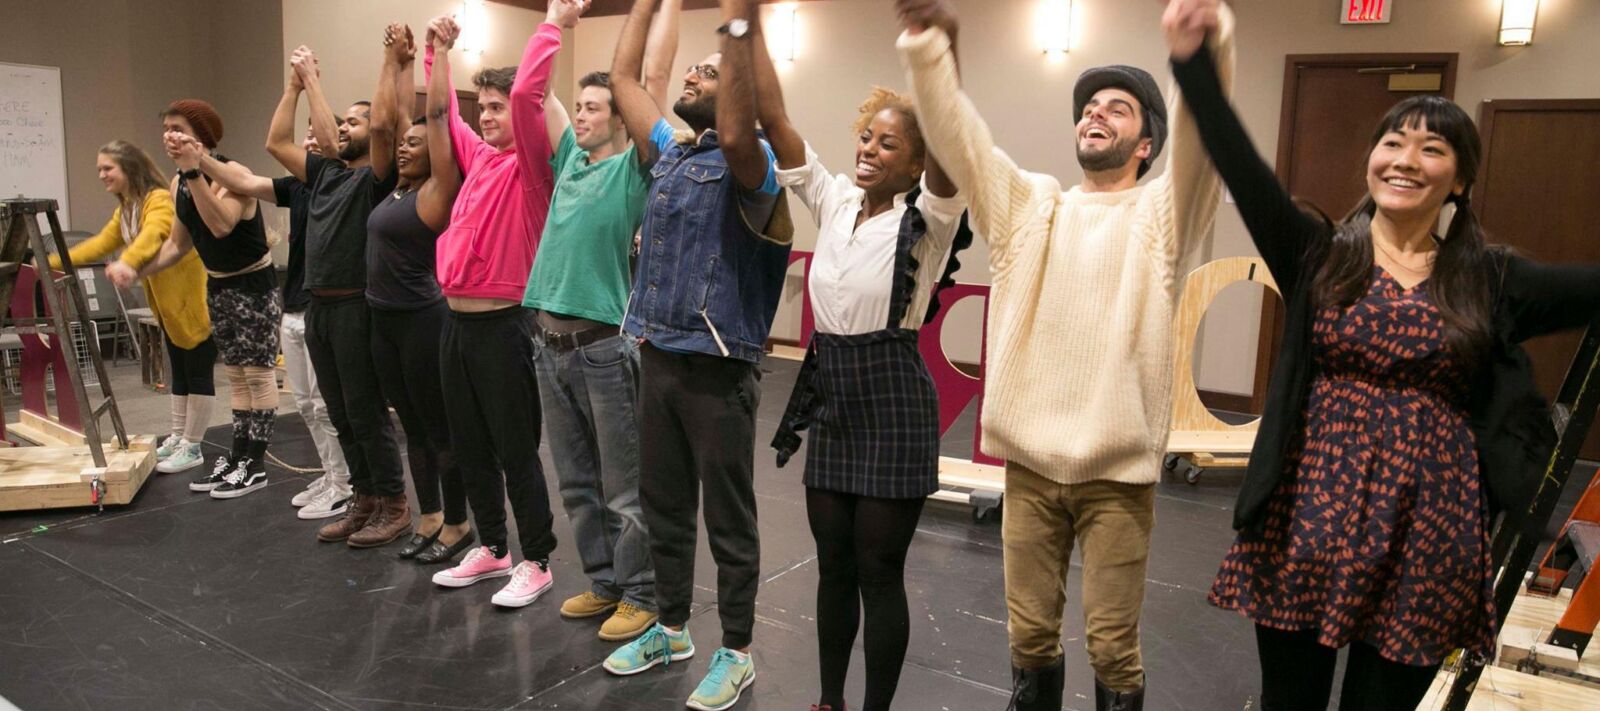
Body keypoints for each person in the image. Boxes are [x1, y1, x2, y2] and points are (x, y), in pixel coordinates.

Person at [1166, 8, 1600, 711]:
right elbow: (1240, 168)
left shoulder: (1491, 278)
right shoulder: (1318, 253)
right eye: (1392, 142)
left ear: (1459, 179)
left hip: (1430, 529)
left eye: (1431, 149)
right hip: (1307, 513)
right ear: (1371, 160)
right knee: (1289, 701)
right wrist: (1193, 63)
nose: (1405, 159)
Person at [895, 1, 1234, 708]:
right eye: (1088, 108)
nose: (1095, 116)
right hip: (1029, 467)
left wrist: (1200, 55)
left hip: (1117, 476)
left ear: (1147, 143)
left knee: (1113, 644)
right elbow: (964, 141)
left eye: (1118, 109)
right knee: (1028, 639)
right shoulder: (1032, 209)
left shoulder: (1162, 217)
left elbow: (1208, 143)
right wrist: (929, 49)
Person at [741, 7, 964, 709]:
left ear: (920, 161)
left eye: (889, 143)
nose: (869, 148)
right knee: (833, 566)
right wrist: (748, 26)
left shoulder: (930, 219)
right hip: (834, 389)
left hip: (894, 393)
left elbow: (953, 130)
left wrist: (942, 46)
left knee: (878, 569)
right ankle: (829, 700)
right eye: (866, 136)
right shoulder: (835, 198)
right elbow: (776, 120)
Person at [599, 0, 791, 708]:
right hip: (660, 357)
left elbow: (740, 126)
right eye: (695, 67)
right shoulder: (673, 155)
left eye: (709, 74)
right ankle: (672, 627)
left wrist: (736, 29)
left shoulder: (755, 162)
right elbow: (624, 77)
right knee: (665, 505)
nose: (693, 73)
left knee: (729, 519)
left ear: (735, 90)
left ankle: (735, 650)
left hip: (718, 369)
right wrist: (646, 5)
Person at [523, 0, 680, 641]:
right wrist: (557, 21)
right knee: (577, 483)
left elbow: (652, 83)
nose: (582, 115)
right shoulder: (568, 166)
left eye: (594, 108)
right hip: (548, 347)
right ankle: (605, 583)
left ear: (619, 122)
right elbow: (533, 95)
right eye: (579, 108)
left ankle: (641, 592)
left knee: (623, 487)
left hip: (603, 351)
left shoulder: (631, 171)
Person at [421, 0, 575, 607]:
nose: (486, 117)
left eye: (495, 108)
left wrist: (553, 24)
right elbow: (438, 111)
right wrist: (437, 52)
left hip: (505, 329)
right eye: (481, 106)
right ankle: (492, 545)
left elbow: (528, 96)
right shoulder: (481, 162)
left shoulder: (534, 171)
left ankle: (536, 558)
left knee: (515, 449)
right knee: (467, 444)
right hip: (454, 326)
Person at [266, 45, 410, 548]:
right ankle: (364, 499)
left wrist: (311, 77)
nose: (343, 128)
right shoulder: (325, 174)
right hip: (319, 308)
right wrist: (292, 87)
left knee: (366, 412)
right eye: (341, 122)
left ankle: (393, 504)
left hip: (355, 308)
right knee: (341, 413)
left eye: (356, 122)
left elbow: (344, 133)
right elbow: (276, 140)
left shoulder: (375, 178)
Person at [117, 100, 282, 501]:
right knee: (237, 377)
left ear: (201, 136)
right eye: (166, 128)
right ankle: (240, 456)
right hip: (219, 285)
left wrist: (194, 170)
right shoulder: (179, 183)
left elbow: (221, 225)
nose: (168, 136)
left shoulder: (234, 176)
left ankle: (254, 465)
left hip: (253, 286)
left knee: (258, 376)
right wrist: (137, 268)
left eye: (177, 128)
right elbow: (178, 243)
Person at [191, 119, 354, 520]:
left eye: (322, 133)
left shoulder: (347, 185)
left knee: (326, 405)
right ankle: (332, 475)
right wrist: (198, 161)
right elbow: (243, 181)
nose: (311, 139)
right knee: (305, 405)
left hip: (325, 309)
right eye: (308, 133)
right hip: (294, 306)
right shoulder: (296, 187)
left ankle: (345, 484)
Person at [368, 23, 473, 565]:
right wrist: (399, 62)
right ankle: (428, 516)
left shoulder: (438, 190)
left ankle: (457, 524)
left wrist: (438, 55)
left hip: (422, 321)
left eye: (415, 145)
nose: (404, 149)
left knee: (439, 431)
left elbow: (435, 119)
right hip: (384, 322)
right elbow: (385, 126)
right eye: (403, 145)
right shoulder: (394, 191)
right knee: (411, 428)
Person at [52, 141, 212, 476]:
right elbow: (99, 243)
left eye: (107, 168)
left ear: (129, 168)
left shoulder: (157, 200)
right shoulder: (128, 207)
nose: (102, 175)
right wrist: (48, 261)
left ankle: (193, 445)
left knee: (197, 371)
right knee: (178, 371)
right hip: (168, 306)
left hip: (191, 300)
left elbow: (153, 236)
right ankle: (179, 436)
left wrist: (128, 263)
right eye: (99, 169)